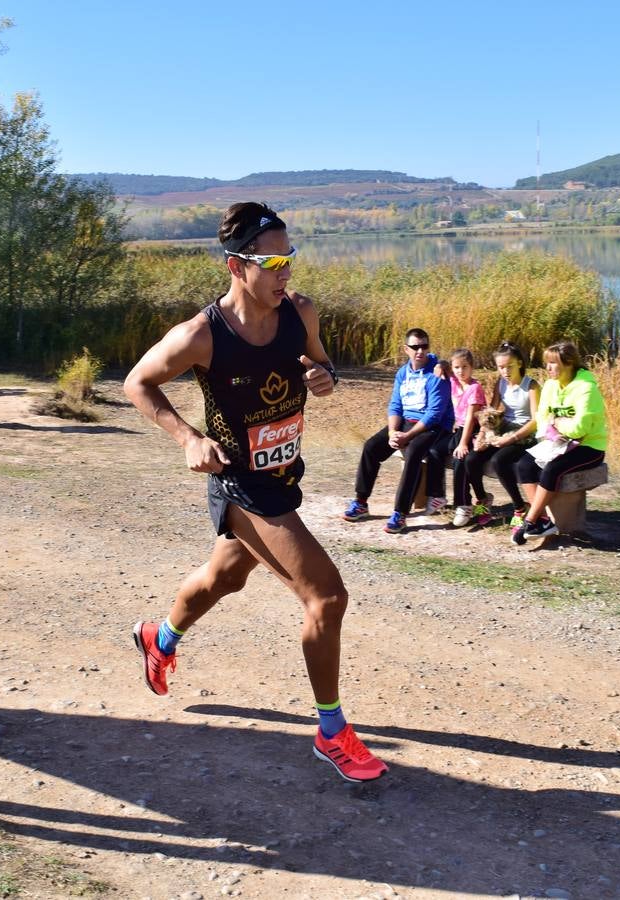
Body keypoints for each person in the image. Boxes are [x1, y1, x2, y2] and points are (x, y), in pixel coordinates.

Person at [124, 202, 387, 783]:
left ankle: (159, 638)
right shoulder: (201, 335)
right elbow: (137, 383)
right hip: (240, 484)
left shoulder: (302, 313)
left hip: (283, 476)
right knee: (327, 598)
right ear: (235, 266)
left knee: (225, 577)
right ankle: (331, 732)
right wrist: (188, 437)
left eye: (289, 257)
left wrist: (325, 377)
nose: (285, 270)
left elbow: (321, 369)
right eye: (271, 260)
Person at [341, 328, 453, 534]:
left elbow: (434, 414)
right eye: (415, 347)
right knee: (371, 447)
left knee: (413, 453)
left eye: (424, 346)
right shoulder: (403, 373)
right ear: (405, 349)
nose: (420, 351)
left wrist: (408, 436)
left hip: (430, 427)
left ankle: (400, 514)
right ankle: (361, 501)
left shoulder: (437, 372)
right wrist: (393, 432)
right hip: (404, 423)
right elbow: (395, 405)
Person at [511, 340, 607, 544]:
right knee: (524, 465)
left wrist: (556, 422)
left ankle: (530, 521)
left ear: (569, 363)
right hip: (558, 443)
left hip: (589, 447)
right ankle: (543, 520)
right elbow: (542, 419)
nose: (548, 368)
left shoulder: (586, 389)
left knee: (552, 469)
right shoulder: (550, 386)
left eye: (553, 363)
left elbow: (580, 429)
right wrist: (557, 424)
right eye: (547, 363)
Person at [463, 341, 541, 527]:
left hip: (524, 434)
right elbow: (492, 410)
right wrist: (481, 435)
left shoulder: (531, 386)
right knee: (471, 459)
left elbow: (536, 420)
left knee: (499, 461)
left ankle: (519, 507)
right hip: (501, 430)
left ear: (520, 364)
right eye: (501, 367)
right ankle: (482, 503)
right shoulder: (501, 383)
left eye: (509, 367)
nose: (505, 372)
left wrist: (512, 438)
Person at [428, 349, 489, 527]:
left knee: (460, 459)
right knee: (434, 450)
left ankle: (464, 504)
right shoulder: (455, 381)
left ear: (472, 368)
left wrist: (463, 443)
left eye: (465, 367)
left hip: (473, 430)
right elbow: (445, 367)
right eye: (457, 367)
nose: (460, 371)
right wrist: (442, 365)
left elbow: (471, 418)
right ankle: (437, 495)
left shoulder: (474, 388)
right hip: (459, 429)